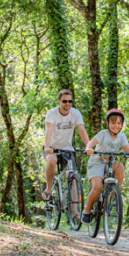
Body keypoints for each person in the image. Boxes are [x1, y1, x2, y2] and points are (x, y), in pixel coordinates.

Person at [82, 108, 129, 224]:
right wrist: (89, 148)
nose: (116, 126)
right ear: (107, 123)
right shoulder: (103, 134)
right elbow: (91, 143)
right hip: (96, 163)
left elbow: (127, 149)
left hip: (110, 163)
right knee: (97, 187)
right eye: (113, 123)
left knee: (120, 165)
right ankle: (86, 211)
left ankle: (115, 196)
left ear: (121, 125)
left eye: (118, 123)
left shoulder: (122, 136)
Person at [42, 89, 90, 220]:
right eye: (64, 101)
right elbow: (48, 130)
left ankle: (74, 212)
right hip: (51, 148)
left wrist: (89, 146)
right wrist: (47, 147)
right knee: (51, 160)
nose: (67, 104)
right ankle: (49, 188)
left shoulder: (75, 114)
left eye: (70, 101)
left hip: (67, 149)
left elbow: (81, 130)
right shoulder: (52, 113)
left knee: (72, 177)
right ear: (59, 102)